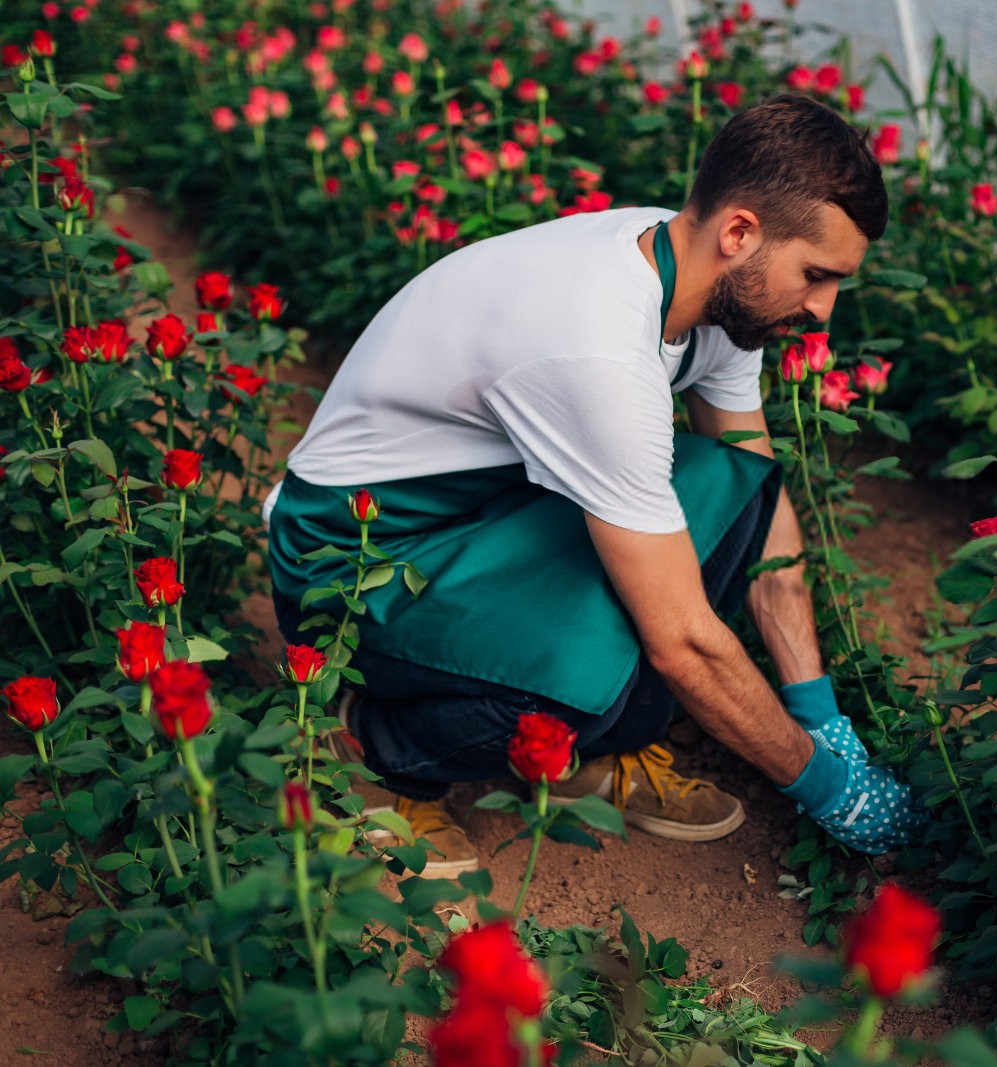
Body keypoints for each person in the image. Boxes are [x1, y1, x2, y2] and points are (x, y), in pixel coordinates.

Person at [263, 93, 924, 878]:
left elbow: (764, 510)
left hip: (475, 519)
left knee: (733, 483)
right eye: (816, 276)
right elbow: (681, 643)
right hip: (349, 558)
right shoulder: (598, 348)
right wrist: (826, 784)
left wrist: (819, 712)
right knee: (592, 676)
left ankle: (584, 740)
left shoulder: (703, 274)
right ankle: (381, 746)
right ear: (740, 231)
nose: (823, 308)